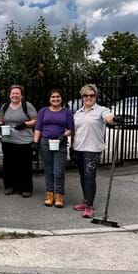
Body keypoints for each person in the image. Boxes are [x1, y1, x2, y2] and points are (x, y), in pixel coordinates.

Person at [72, 84, 117, 218]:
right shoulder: (78, 113)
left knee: (90, 177)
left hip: (93, 149)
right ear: (82, 97)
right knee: (82, 176)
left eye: (91, 95)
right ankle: (86, 201)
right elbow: (75, 130)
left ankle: (89, 206)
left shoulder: (101, 110)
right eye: (86, 95)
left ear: (95, 96)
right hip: (79, 148)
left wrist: (113, 119)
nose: (89, 97)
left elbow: (108, 117)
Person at [33, 89, 74, 208]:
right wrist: (35, 142)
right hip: (45, 142)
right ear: (49, 99)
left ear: (61, 98)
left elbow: (70, 129)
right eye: (53, 97)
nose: (55, 99)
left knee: (59, 171)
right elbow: (38, 128)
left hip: (60, 142)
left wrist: (64, 135)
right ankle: (49, 194)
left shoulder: (67, 112)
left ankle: (59, 194)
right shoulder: (43, 111)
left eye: (58, 97)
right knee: (48, 170)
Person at [0, 85, 37, 197]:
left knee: (24, 165)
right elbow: (1, 120)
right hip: (8, 140)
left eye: (17, 93)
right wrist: (0, 125)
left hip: (24, 140)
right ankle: (10, 186)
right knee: (9, 164)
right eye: (13, 93)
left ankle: (25, 188)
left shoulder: (27, 106)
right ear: (10, 95)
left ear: (21, 95)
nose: (14, 95)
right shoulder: (5, 106)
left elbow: (35, 120)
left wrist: (25, 124)